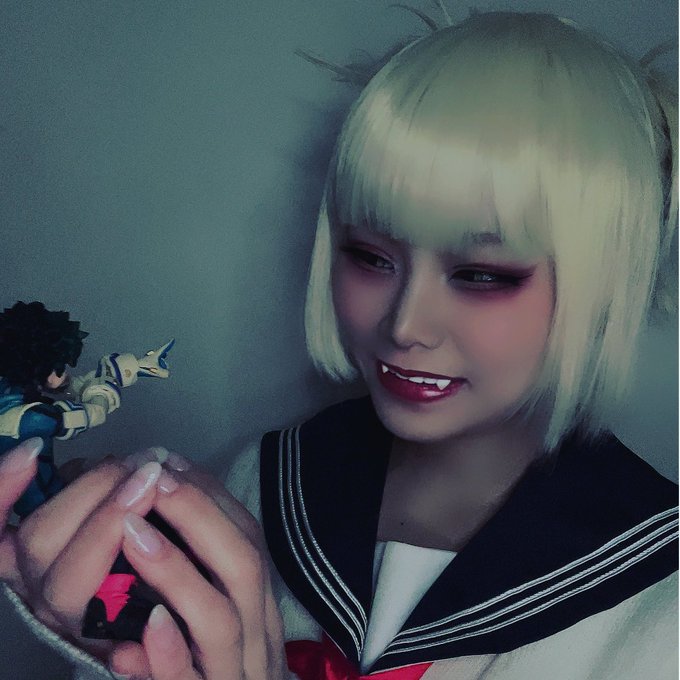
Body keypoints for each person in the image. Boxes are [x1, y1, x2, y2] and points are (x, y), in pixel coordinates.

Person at [0, 8, 676, 680]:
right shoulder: (258, 482)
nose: (405, 324)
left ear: (606, 282)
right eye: (370, 256)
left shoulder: (661, 601)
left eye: (480, 274)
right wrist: (110, 656)